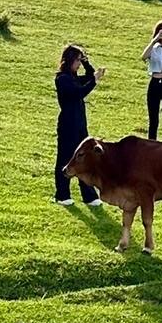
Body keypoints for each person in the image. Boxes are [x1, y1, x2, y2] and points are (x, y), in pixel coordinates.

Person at [54, 44, 103, 204]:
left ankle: (89, 197)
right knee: (64, 159)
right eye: (77, 60)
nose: (78, 64)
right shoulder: (62, 79)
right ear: (68, 61)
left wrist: (87, 62)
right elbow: (79, 93)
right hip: (68, 125)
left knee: (85, 159)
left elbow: (89, 76)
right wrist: (94, 81)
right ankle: (62, 195)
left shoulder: (74, 78)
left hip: (81, 125)